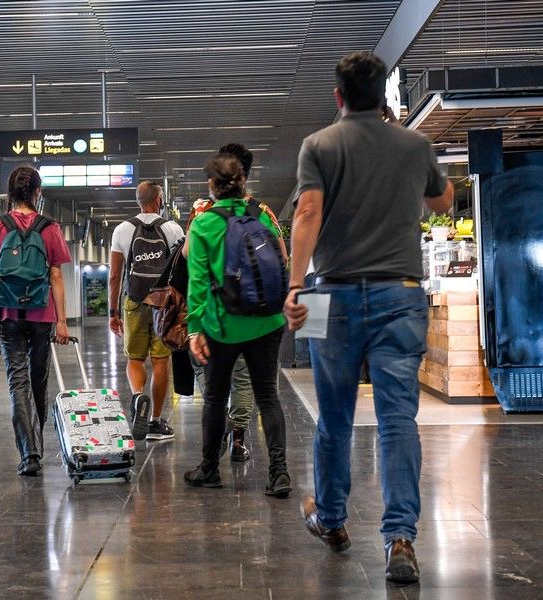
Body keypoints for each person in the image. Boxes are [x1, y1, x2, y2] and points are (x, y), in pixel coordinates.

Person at [286, 51, 454, 583]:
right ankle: (400, 538)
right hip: (400, 295)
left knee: (331, 416)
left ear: (337, 96)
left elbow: (307, 213)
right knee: (398, 420)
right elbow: (443, 201)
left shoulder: (318, 145)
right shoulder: (415, 145)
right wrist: (409, 155)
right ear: (383, 95)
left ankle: (332, 520)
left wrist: (295, 287)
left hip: (325, 295)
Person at [183, 153, 292, 497]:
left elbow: (197, 281)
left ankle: (210, 469)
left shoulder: (204, 223)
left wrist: (195, 328)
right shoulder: (263, 215)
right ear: (243, 182)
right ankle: (279, 473)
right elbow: (283, 260)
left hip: (224, 325)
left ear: (211, 186)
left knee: (215, 396)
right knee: (268, 397)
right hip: (267, 320)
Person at [0, 166, 71, 476]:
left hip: (7, 314)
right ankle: (38, 445)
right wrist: (61, 321)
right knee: (38, 382)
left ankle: (28, 453)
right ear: (37, 192)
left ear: (10, 193)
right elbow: (56, 275)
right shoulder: (50, 228)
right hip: (42, 316)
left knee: (17, 382)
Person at [109, 180, 184, 441]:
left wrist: (112, 312)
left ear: (138, 200)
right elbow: (181, 270)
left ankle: (139, 396)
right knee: (161, 360)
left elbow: (115, 275)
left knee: (135, 358)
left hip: (134, 300)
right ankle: (155, 421)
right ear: (159, 199)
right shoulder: (172, 228)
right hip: (163, 303)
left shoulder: (122, 229)